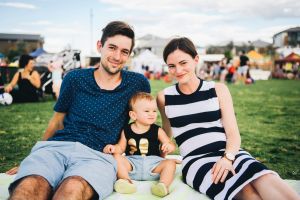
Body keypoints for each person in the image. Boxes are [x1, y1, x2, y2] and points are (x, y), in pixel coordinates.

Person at [7, 21, 151, 200]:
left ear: (129, 55)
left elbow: (143, 121)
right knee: (30, 185)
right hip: (56, 148)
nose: (117, 56)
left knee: (73, 189)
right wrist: (33, 158)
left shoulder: (137, 83)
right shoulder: (75, 78)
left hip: (98, 154)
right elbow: (57, 121)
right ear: (100, 46)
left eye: (124, 51)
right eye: (112, 47)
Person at [156, 37, 299, 200]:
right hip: (196, 161)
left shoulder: (218, 89)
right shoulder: (164, 97)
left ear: (196, 59)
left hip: (229, 153)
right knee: (246, 191)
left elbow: (233, 134)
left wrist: (228, 158)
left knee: (264, 177)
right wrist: (157, 159)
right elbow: (166, 136)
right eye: (172, 66)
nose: (178, 70)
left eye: (183, 63)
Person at [103, 92, 177, 197]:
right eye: (147, 111)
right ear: (133, 115)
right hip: (132, 164)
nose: (152, 114)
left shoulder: (157, 130)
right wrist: (113, 148)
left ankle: (163, 185)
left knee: (170, 163)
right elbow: (121, 148)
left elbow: (170, 143)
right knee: (116, 158)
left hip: (154, 165)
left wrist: (169, 146)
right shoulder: (127, 130)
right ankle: (125, 181)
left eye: (154, 111)